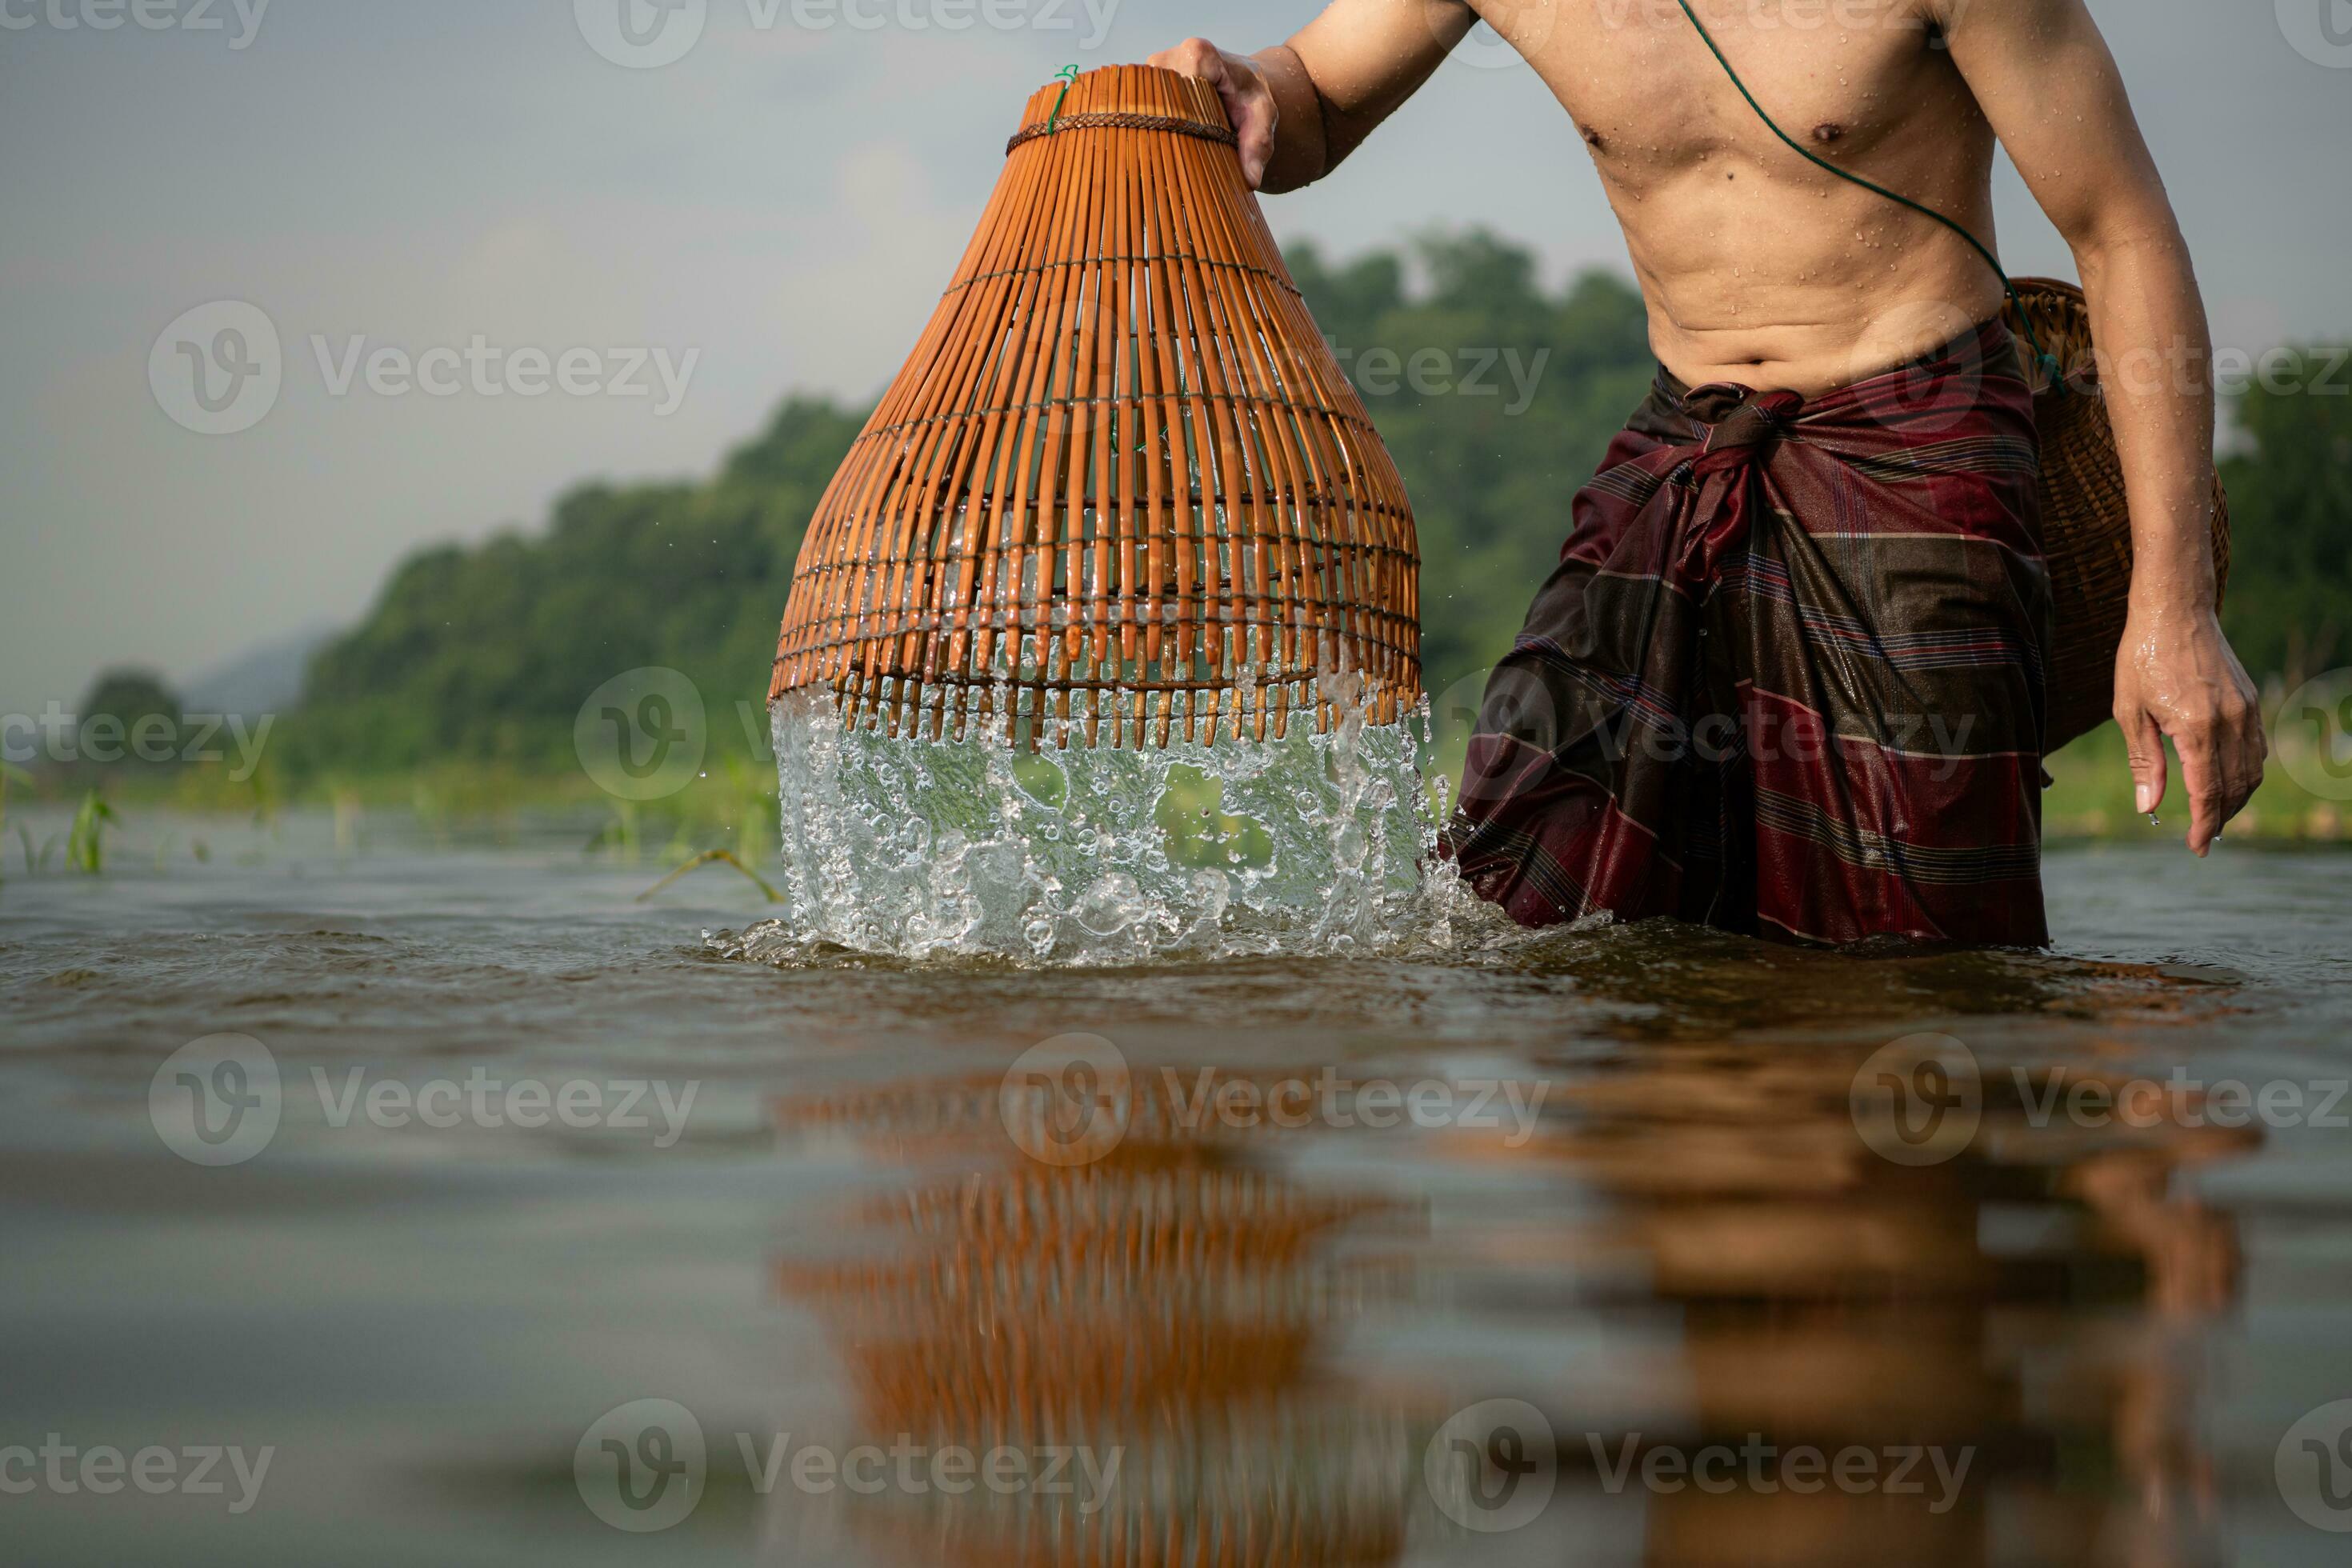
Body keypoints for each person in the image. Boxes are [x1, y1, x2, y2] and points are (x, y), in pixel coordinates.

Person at [1147, 0, 2266, 946]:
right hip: (1685, 438)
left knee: (1921, 931)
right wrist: (1244, 84)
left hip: (1919, 449)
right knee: (1524, 890)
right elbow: (1320, 99)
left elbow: (2120, 230)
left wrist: (2173, 609)